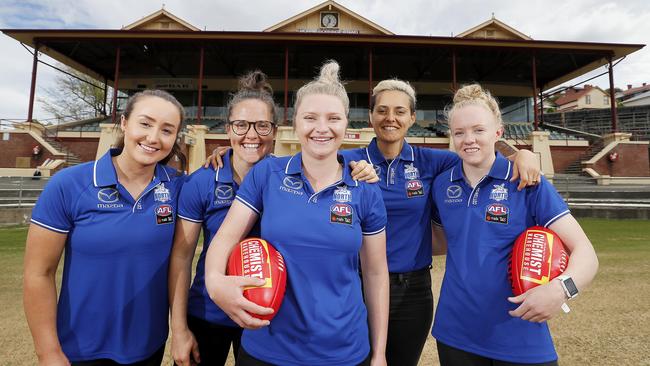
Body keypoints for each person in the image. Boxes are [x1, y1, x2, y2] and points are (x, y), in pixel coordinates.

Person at [170, 71, 379, 366]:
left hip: (268, 310)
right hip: (213, 309)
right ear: (228, 129)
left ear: (277, 130)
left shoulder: (279, 173)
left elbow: (329, 152)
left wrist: (361, 170)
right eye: (241, 125)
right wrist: (185, 321)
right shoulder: (214, 179)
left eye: (262, 126)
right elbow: (186, 255)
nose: (251, 134)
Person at [340, 79, 542, 366]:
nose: (390, 118)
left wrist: (521, 154)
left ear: (412, 117)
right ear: (371, 116)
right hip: (356, 285)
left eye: (400, 111)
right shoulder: (347, 160)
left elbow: (479, 151)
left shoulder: (434, 162)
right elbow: (310, 161)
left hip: (412, 289)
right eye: (382, 110)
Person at [430, 84, 599, 365]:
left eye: (478, 130)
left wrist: (560, 290)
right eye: (459, 132)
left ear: (498, 132)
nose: (468, 139)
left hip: (520, 335)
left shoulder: (527, 180)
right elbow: (439, 242)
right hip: (455, 333)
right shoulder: (442, 184)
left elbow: (586, 253)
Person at [24, 90, 186, 365]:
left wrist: (223, 153)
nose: (154, 138)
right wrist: (47, 351)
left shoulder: (179, 186)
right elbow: (39, 272)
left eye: (167, 130)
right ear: (124, 123)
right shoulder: (68, 184)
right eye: (145, 124)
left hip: (148, 347)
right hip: (80, 348)